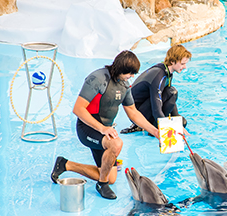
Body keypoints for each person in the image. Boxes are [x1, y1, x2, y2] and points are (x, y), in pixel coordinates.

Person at [50, 50, 159, 200]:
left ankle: (66, 164)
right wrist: (102, 128)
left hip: (105, 131)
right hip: (88, 128)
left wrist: (155, 131)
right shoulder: (98, 78)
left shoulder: (124, 85)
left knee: (111, 178)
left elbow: (133, 112)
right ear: (122, 69)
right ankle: (101, 184)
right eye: (130, 73)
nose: (132, 76)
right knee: (116, 144)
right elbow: (78, 109)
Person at [120, 44, 192, 135]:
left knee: (182, 122)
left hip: (147, 107)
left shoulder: (167, 72)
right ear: (173, 61)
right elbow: (156, 107)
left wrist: (177, 121)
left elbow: (169, 98)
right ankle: (153, 127)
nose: (185, 67)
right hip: (138, 113)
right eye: (182, 64)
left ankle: (156, 124)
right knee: (172, 92)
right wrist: (165, 128)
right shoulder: (159, 75)